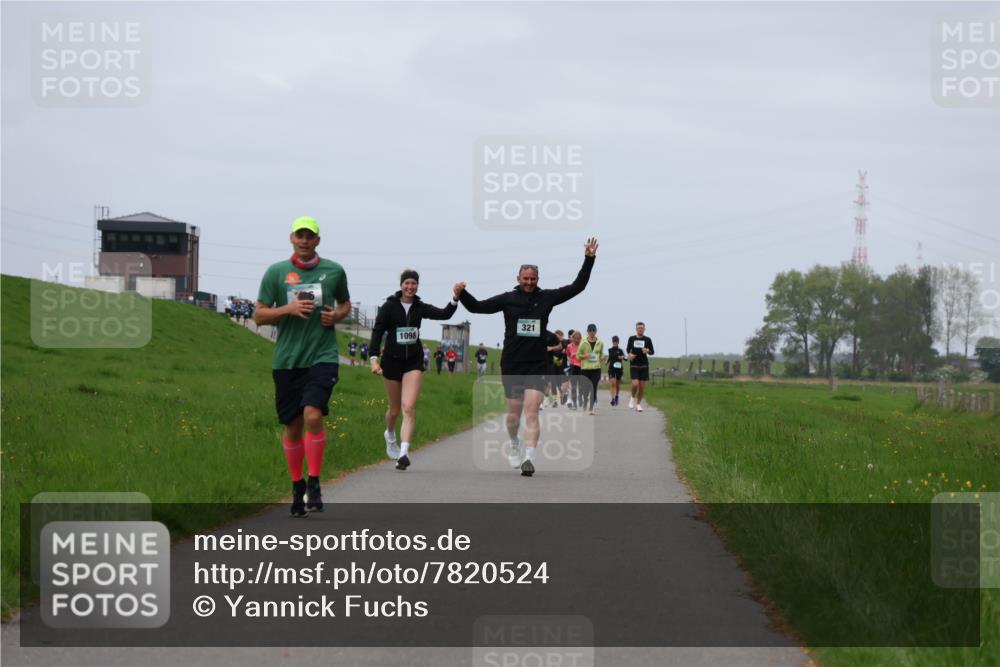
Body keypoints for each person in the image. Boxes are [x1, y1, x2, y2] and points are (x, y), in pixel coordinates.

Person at [455, 238, 598, 477]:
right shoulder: (507, 299)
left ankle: (529, 458)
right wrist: (462, 294)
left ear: (538, 279)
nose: (529, 282)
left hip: (537, 364)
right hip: (512, 363)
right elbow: (477, 307)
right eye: (525, 279)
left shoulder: (547, 297)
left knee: (532, 411)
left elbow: (577, 286)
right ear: (518, 279)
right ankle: (514, 443)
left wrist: (589, 259)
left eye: (533, 279)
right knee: (513, 415)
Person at [254, 216, 351, 517]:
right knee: (293, 426)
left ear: (318, 240)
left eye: (310, 236)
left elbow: (345, 304)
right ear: (292, 238)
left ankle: (315, 481)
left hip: (322, 356)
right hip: (287, 360)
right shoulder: (276, 272)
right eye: (300, 236)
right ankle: (297, 485)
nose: (305, 241)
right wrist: (289, 308)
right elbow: (259, 315)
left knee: (313, 415)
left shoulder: (334, 271)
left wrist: (336, 316)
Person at [369, 269, 459, 471]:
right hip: (391, 361)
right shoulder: (389, 306)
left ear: (418, 285)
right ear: (401, 285)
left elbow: (444, 313)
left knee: (408, 407)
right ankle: (390, 434)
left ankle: (404, 453)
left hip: (413, 361)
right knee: (394, 410)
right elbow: (377, 332)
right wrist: (374, 360)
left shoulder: (420, 307)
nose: (410, 287)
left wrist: (455, 298)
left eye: (414, 283)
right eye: (407, 283)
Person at [577, 324, 605, 415]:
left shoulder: (600, 342)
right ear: (587, 332)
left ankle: (591, 408)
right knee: (586, 389)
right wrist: (585, 356)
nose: (592, 332)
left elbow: (602, 354)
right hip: (585, 369)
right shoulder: (583, 342)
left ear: (596, 331)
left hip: (596, 369)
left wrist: (602, 358)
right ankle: (585, 400)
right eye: (590, 330)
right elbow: (578, 356)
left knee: (593, 387)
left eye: (593, 330)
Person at [627, 321, 655, 412]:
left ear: (644, 329)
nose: (640, 329)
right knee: (635, 384)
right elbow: (628, 350)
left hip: (644, 365)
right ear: (636, 329)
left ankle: (638, 404)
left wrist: (647, 350)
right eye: (639, 328)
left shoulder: (647, 339)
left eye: (642, 328)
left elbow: (652, 352)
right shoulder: (631, 338)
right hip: (634, 365)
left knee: (642, 388)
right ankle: (632, 397)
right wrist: (630, 354)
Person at [545, 330, 566, 407]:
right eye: (557, 335)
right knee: (547, 382)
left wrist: (551, 348)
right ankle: (546, 400)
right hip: (546, 364)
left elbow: (561, 349)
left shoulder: (562, 342)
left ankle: (556, 399)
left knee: (556, 382)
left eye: (559, 335)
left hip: (558, 366)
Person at [565, 330, 583, 410]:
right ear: (572, 338)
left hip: (581, 367)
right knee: (573, 386)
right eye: (575, 338)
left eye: (578, 338)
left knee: (581, 386)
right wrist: (570, 361)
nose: (577, 340)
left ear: (580, 338)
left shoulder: (582, 346)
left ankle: (580, 398)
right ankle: (574, 403)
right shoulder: (569, 346)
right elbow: (568, 355)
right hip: (573, 367)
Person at [607, 335, 626, 406]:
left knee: (617, 384)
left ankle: (617, 396)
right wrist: (606, 362)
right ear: (612, 342)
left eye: (616, 341)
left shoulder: (621, 350)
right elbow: (609, 358)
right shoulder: (610, 350)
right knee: (613, 383)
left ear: (618, 342)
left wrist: (622, 357)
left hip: (619, 369)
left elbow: (626, 358)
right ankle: (612, 399)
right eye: (614, 341)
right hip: (611, 369)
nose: (615, 343)